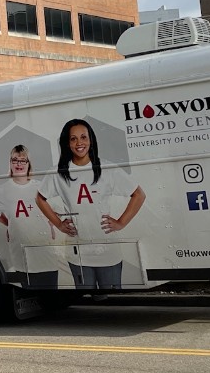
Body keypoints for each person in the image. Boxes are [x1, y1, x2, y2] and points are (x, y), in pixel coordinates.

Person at [53, 118, 145, 289]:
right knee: (85, 298)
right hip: (78, 252)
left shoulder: (107, 168)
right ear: (67, 143)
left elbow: (138, 194)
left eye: (83, 137)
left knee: (111, 299)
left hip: (108, 251)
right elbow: (40, 198)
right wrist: (59, 224)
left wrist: (121, 222)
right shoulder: (60, 173)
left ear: (91, 140)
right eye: (73, 139)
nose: (79, 143)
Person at [0, 145, 76, 288]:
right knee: (28, 290)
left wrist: (52, 222)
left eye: (23, 160)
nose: (19, 164)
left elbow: (57, 209)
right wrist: (11, 224)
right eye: (15, 160)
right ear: (10, 163)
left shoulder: (40, 187)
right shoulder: (1, 191)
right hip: (21, 254)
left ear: (29, 164)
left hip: (45, 252)